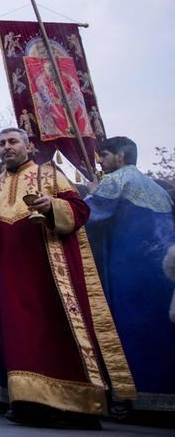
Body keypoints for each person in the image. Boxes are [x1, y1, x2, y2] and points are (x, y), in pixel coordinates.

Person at [0, 128, 136, 428]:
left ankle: (77, 406)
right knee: (20, 337)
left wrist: (52, 206)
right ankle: (30, 403)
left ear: (28, 147)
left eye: (12, 142)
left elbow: (79, 209)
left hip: (51, 270)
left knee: (58, 331)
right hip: (11, 273)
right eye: (1, 143)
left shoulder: (49, 174)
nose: (6, 147)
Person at [84, 136, 175, 413]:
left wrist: (90, 192)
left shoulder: (116, 180)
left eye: (104, 156)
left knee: (129, 333)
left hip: (129, 271)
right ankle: (163, 401)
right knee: (160, 333)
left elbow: (87, 215)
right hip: (162, 273)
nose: (100, 161)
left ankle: (132, 400)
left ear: (120, 157)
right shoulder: (158, 190)